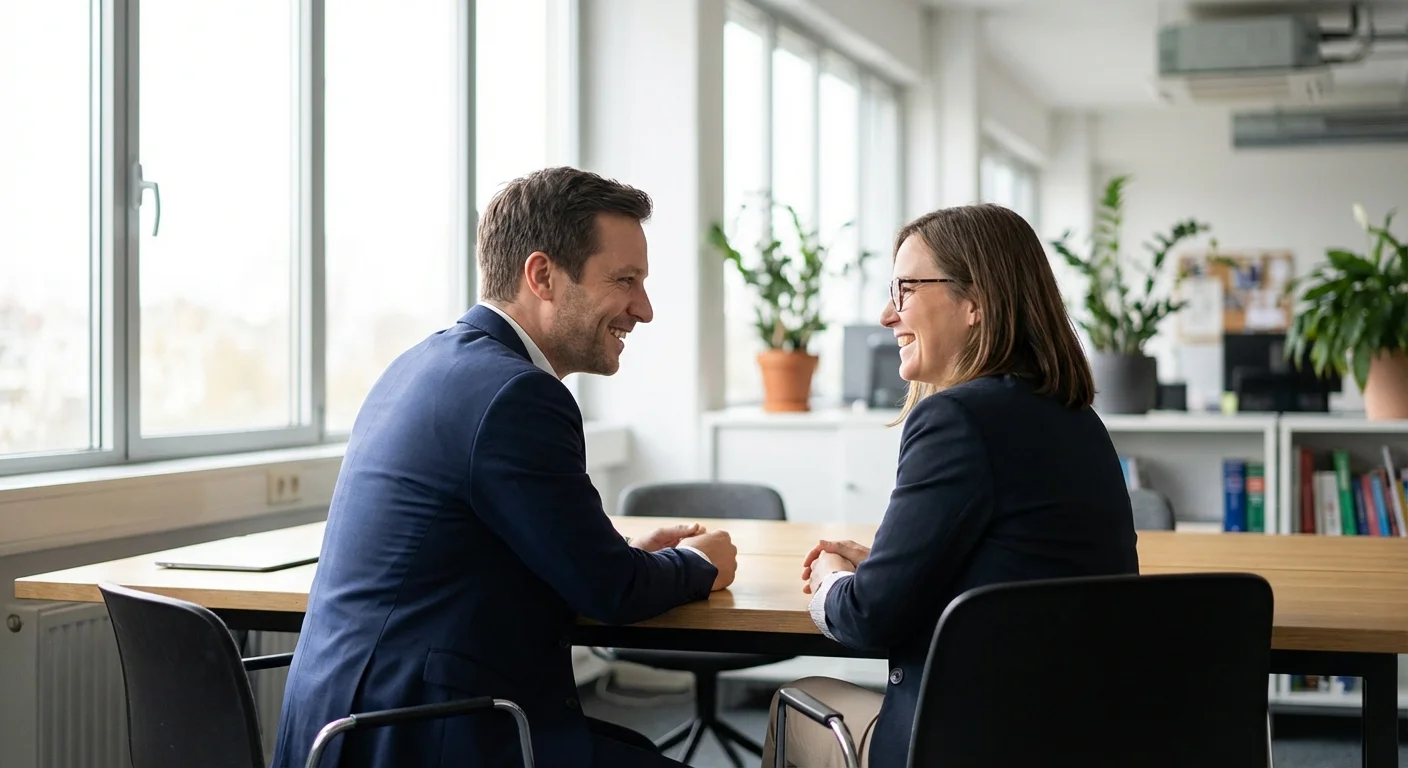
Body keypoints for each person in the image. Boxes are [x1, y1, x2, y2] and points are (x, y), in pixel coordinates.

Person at [271, 167, 738, 768]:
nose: (643, 309)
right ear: (542, 275)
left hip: (344, 732)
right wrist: (699, 563)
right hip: (424, 738)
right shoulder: (518, 396)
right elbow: (612, 591)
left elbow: (527, 555)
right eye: (624, 280)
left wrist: (623, 555)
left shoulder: (421, 365)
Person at [762, 204, 1140, 767]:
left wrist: (832, 581)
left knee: (793, 706)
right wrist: (894, 566)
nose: (888, 314)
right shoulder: (1074, 417)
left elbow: (868, 618)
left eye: (906, 289)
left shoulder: (956, 419)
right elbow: (1024, 575)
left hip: (967, 742)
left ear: (976, 302)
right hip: (1080, 737)